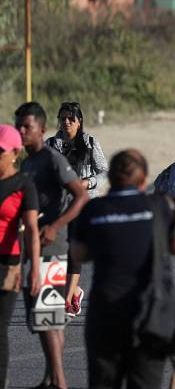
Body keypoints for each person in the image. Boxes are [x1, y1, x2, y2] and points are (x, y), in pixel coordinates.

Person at [71, 149, 175, 389]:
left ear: (111, 178)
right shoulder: (160, 206)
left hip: (106, 313)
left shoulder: (94, 209)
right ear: (144, 179)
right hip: (149, 314)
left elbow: (79, 254)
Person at [12, 102, 89, 389]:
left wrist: (56, 226)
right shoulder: (28, 162)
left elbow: (80, 195)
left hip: (53, 246)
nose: (21, 132)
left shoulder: (51, 159)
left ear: (42, 130)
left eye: (27, 127)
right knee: (45, 317)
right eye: (18, 126)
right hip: (35, 246)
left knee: (50, 316)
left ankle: (59, 383)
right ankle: (50, 378)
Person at [45, 101, 108, 317]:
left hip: (83, 206)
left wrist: (87, 183)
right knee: (58, 252)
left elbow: (104, 172)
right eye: (63, 118)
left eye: (71, 119)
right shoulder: (51, 145)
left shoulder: (90, 143)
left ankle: (66, 299)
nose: (67, 122)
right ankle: (75, 292)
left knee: (74, 252)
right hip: (58, 207)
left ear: (79, 122)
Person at [0, 125, 41, 389]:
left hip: (8, 266)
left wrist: (34, 268)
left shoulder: (24, 183)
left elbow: (32, 232)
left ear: (14, 153)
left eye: (0, 151)